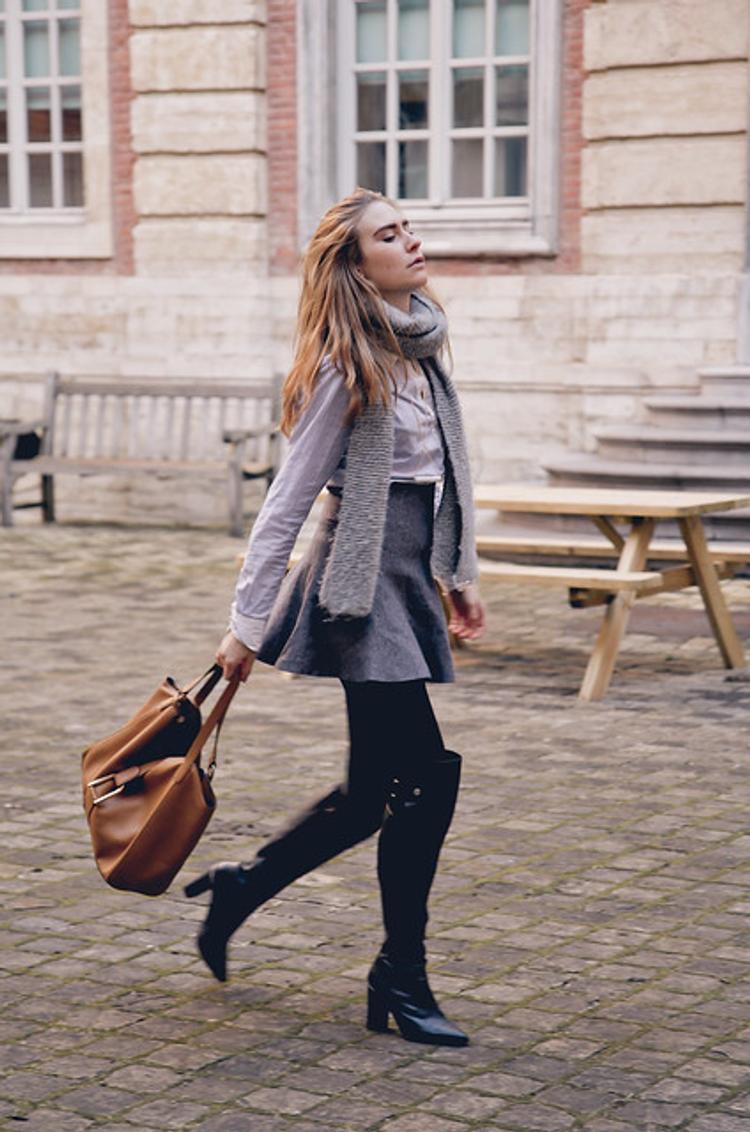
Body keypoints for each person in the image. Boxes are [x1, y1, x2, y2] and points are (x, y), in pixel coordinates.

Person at [185, 186, 485, 1047]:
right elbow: (286, 503)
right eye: (389, 234)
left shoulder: (421, 347)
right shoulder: (344, 368)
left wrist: (456, 574)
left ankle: (242, 887)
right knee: (426, 778)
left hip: (406, 578)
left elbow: (435, 480)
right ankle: (401, 974)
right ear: (354, 265)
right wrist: (245, 626)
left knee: (368, 797)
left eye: (408, 226)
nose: (411, 240)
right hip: (358, 590)